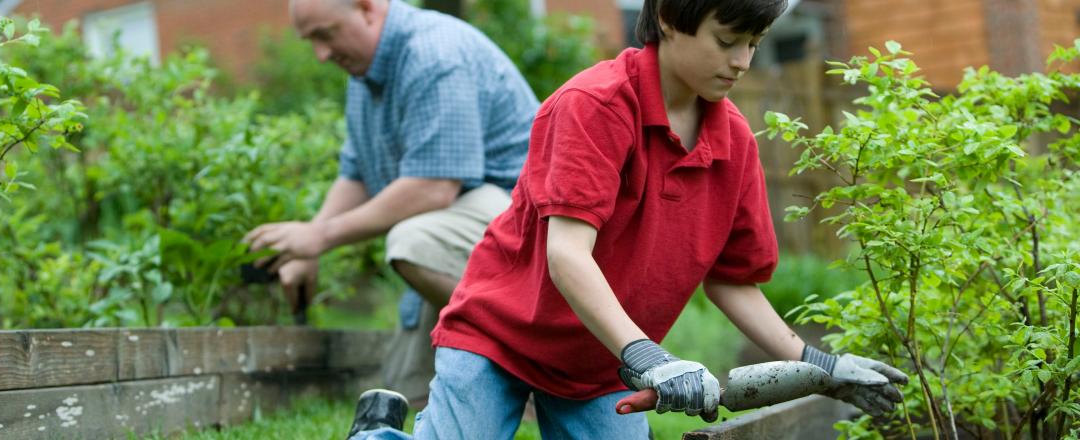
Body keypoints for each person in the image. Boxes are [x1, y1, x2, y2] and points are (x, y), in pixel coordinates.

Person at [344, 0, 910, 438]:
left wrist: (821, 365)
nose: (742, 61)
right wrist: (650, 358)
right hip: (500, 340)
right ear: (668, 18)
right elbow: (567, 254)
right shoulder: (594, 106)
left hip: (598, 367)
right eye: (727, 40)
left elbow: (731, 279)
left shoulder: (733, 139)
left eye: (754, 44)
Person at [244, 0, 540, 408]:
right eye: (311, 40)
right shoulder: (365, 76)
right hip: (466, 230)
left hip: (527, 224)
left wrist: (322, 236)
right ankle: (499, 384)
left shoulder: (434, 54)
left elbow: (433, 187)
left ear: (367, 9)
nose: (321, 54)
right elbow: (358, 173)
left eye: (325, 34)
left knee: (414, 242)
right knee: (407, 391)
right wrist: (307, 245)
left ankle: (545, 360)